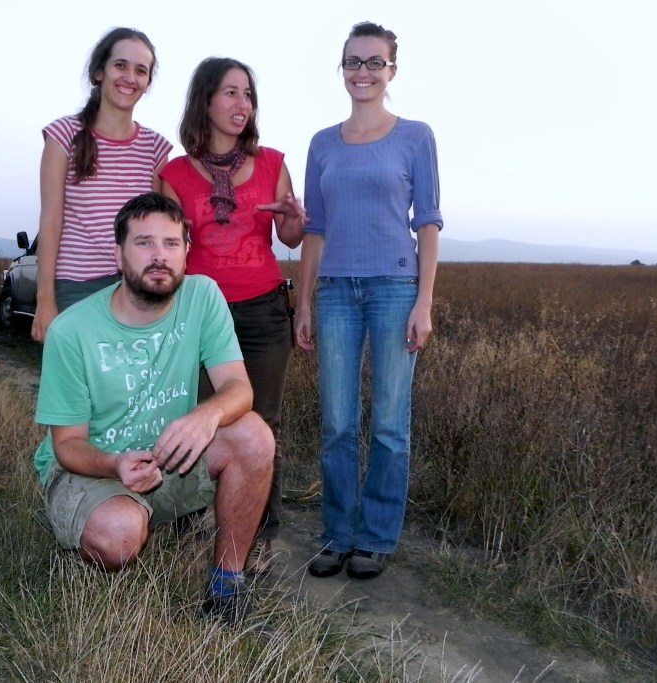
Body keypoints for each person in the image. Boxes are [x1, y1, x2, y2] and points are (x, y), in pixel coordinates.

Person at [33, 192, 274, 624]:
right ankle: (85, 521)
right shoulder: (72, 331)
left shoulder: (202, 296)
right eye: (144, 243)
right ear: (118, 255)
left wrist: (206, 415)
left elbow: (238, 388)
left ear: (186, 253)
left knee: (253, 435)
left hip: (167, 460)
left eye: (171, 243)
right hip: (94, 468)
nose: (159, 256)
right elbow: (67, 445)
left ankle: (226, 586)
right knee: (118, 536)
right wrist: (115, 464)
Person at [294, 21, 443, 580]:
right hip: (335, 293)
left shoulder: (416, 137)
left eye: (374, 62)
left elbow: (428, 223)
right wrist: (304, 303)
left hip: (394, 290)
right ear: (342, 69)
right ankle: (337, 534)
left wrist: (424, 301)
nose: (363, 71)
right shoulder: (322, 143)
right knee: (337, 423)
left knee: (388, 424)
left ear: (391, 71)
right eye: (354, 61)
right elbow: (315, 228)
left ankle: (376, 538)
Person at [160, 57, 306, 574]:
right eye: (230, 93)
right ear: (205, 101)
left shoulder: (272, 163)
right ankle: (183, 528)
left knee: (263, 423)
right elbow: (169, 249)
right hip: (198, 313)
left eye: (248, 94)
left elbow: (290, 238)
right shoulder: (174, 174)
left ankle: (259, 537)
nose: (242, 104)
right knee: (192, 419)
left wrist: (295, 220)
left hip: (263, 309)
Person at [31, 27, 173, 343]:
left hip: (137, 290)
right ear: (99, 72)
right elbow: (50, 220)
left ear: (147, 82)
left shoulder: (155, 148)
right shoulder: (63, 136)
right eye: (120, 65)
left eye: (141, 71)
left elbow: (163, 228)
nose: (130, 78)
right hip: (76, 289)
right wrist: (45, 299)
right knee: (79, 375)